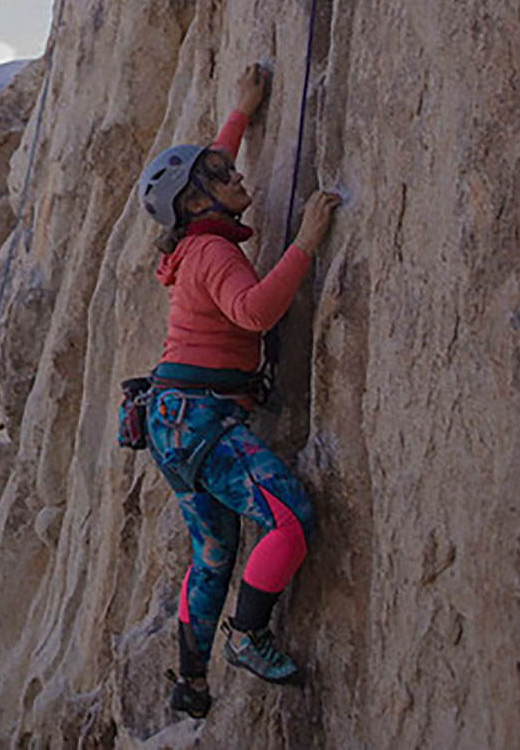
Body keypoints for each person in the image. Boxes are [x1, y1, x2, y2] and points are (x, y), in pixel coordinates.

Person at [133, 62, 340, 720]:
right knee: (289, 517)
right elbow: (253, 312)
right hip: (201, 421)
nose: (236, 174)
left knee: (214, 553)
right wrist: (306, 242)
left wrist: (241, 111)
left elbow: (209, 166)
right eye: (222, 176)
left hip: (171, 421)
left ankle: (190, 683)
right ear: (198, 201)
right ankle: (247, 636)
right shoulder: (215, 253)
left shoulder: (194, 237)